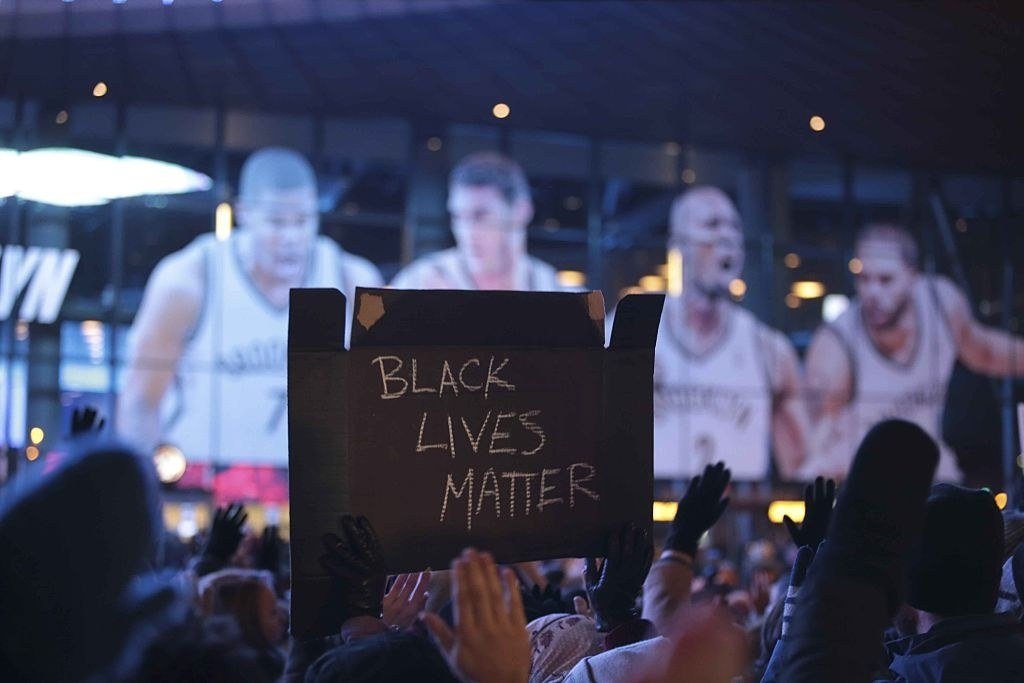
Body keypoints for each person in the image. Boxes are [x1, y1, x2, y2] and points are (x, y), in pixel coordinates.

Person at [118, 147, 382, 466]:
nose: (292, 237)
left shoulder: (352, 279)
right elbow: (140, 401)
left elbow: (381, 398)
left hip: (313, 487)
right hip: (200, 475)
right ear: (243, 214)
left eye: (303, 221)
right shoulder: (188, 279)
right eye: (276, 222)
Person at [803, 223, 1024, 482]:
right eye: (863, 278)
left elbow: (983, 351)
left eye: (885, 280)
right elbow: (813, 441)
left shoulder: (940, 303)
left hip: (928, 473)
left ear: (912, 276)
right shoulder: (835, 344)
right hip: (862, 482)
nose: (872, 292)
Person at [653, 186, 807, 480]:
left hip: (738, 517)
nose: (727, 237)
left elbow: (800, 468)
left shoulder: (768, 348)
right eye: (712, 225)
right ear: (678, 244)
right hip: (654, 519)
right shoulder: (630, 336)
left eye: (734, 227)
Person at [390, 151, 561, 291]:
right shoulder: (418, 281)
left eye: (480, 216)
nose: (466, 232)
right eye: (458, 216)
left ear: (521, 211)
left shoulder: (551, 287)